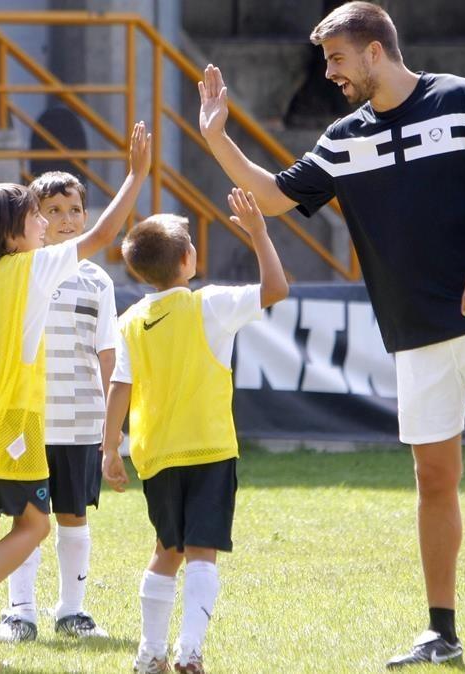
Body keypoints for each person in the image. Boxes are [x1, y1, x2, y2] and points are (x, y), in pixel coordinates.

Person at [196, 2, 465, 671]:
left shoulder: (461, 98)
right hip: (413, 331)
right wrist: (215, 137)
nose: (330, 74)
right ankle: (441, 632)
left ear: (374, 52)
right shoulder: (345, 136)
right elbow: (273, 196)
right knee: (434, 480)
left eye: (338, 59)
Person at [0, 122, 151, 672]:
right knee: (35, 525)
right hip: (14, 420)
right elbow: (101, 237)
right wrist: (136, 176)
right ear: (13, 234)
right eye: (36, 216)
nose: (46, 223)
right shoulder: (33, 268)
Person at [100, 188, 289, 674]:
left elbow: (120, 386)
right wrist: (259, 232)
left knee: (166, 550)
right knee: (202, 552)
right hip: (208, 448)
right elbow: (276, 288)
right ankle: (189, 651)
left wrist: (110, 449)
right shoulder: (209, 305)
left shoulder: (131, 320)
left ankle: (150, 654)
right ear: (188, 259)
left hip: (156, 453)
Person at [0, 172, 117, 643]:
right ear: (33, 218)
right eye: (53, 210)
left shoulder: (98, 280)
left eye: (75, 210)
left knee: (73, 516)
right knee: (26, 519)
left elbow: (108, 354)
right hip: (26, 420)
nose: (66, 220)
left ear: (87, 215)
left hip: (80, 422)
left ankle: (72, 611)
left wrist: (113, 427)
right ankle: (19, 613)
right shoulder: (16, 273)